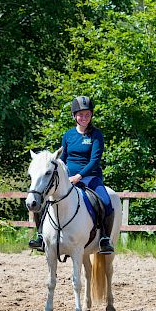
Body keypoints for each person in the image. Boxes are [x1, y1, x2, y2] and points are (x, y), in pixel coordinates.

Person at [28, 96, 115, 254]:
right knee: (44, 198)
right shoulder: (68, 135)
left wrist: (79, 176)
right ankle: (40, 236)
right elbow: (63, 158)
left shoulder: (96, 135)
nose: (84, 118)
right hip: (67, 177)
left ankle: (104, 239)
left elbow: (94, 161)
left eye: (87, 114)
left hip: (91, 177)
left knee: (106, 201)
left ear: (91, 115)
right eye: (80, 115)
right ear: (74, 116)